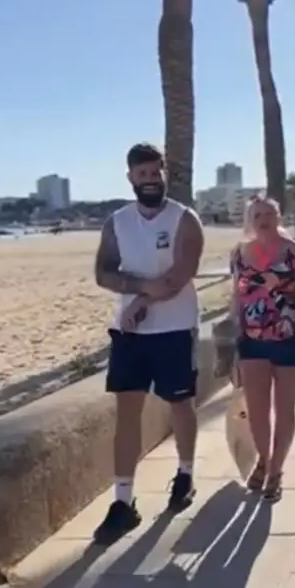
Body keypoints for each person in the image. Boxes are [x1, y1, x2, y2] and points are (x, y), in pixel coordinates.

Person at [92, 143, 205, 545]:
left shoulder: (185, 220)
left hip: (175, 328)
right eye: (143, 174)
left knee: (180, 404)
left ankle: (185, 475)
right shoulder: (117, 223)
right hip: (129, 335)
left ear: (164, 173)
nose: (151, 180)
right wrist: (139, 288)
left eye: (156, 172)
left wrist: (141, 301)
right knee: (127, 413)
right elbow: (103, 273)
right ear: (131, 178)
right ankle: (123, 502)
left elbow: (180, 274)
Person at [231, 194, 295, 502]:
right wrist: (235, 338)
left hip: (291, 338)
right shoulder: (240, 254)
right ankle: (264, 459)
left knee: (284, 408)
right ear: (250, 220)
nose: (263, 220)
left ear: (278, 217)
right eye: (257, 215)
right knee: (257, 411)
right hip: (252, 341)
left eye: (268, 214)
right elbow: (237, 297)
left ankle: (275, 471)